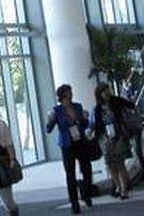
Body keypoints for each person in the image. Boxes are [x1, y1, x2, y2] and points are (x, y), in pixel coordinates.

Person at [45, 84, 94, 213]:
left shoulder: (77, 106)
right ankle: (74, 203)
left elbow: (84, 125)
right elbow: (48, 129)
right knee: (70, 174)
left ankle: (86, 192)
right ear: (62, 96)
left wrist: (85, 118)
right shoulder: (57, 110)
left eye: (71, 92)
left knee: (87, 169)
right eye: (68, 93)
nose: (71, 95)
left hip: (80, 142)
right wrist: (50, 120)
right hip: (67, 144)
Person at [91, 83, 136, 200]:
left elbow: (131, 105)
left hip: (119, 135)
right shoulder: (97, 109)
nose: (107, 93)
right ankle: (118, 186)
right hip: (105, 138)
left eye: (108, 90)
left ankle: (124, 189)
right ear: (100, 94)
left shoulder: (116, 101)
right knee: (110, 164)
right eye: (104, 91)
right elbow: (96, 125)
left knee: (120, 162)